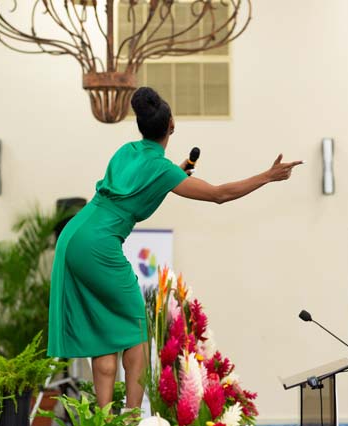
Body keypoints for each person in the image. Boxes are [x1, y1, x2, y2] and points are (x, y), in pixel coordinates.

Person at [47, 87, 303, 408]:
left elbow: (132, 188)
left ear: (141, 125)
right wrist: (268, 175)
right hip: (100, 244)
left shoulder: (127, 151)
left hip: (74, 233)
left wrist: (174, 174)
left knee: (106, 329)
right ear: (172, 125)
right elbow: (219, 194)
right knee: (136, 329)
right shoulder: (163, 170)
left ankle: (102, 417)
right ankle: (130, 417)